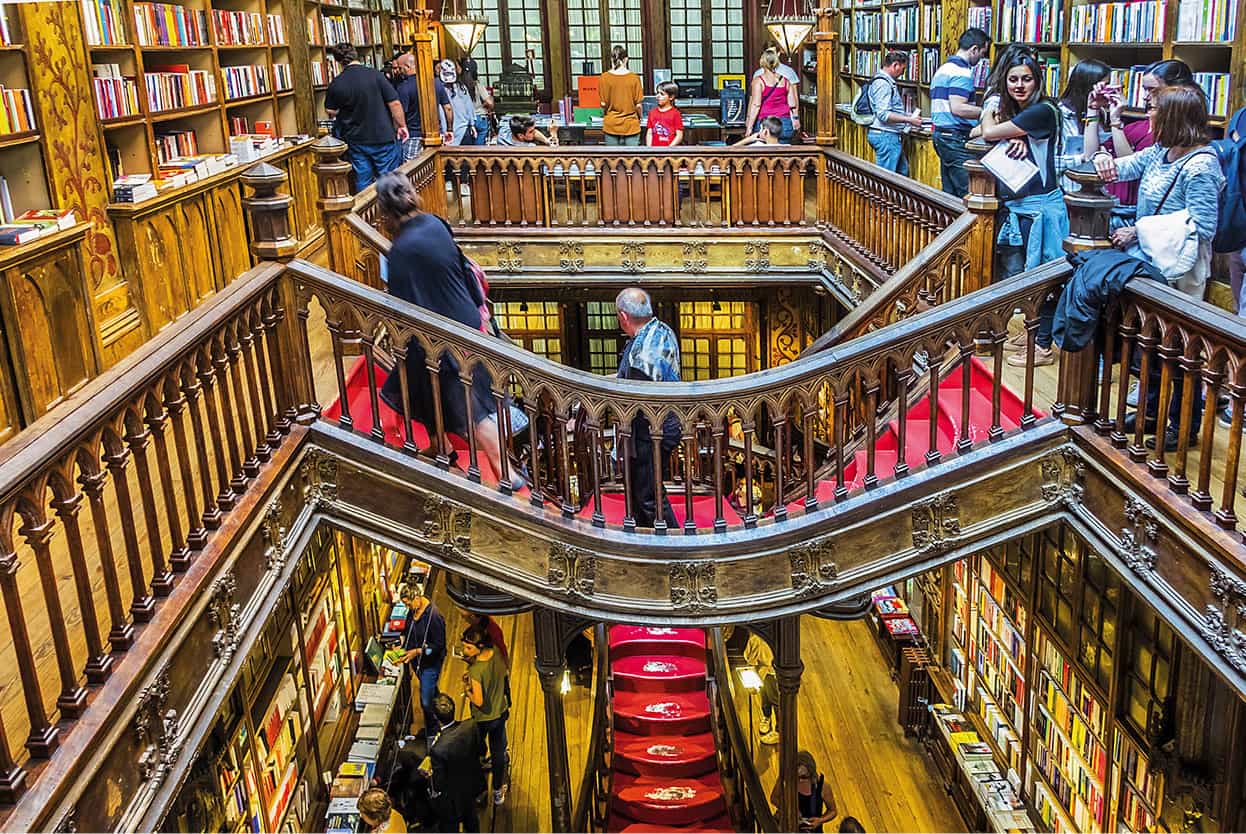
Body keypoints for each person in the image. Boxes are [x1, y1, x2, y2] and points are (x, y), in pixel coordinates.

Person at [1093, 85, 1224, 451]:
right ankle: (1152, 411)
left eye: (1152, 110)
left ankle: (1183, 424)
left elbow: (1204, 226)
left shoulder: (1201, 165)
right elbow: (1118, 170)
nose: (1146, 115)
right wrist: (1102, 160)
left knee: (1179, 351)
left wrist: (1139, 229)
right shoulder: (1159, 153)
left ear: (1173, 116)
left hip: (1177, 273)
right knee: (1148, 346)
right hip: (1148, 264)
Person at [372, 173, 521, 488]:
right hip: (464, 324)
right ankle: (442, 446)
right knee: (424, 389)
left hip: (442, 338)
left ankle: (506, 473)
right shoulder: (435, 224)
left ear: (385, 210)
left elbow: (402, 302)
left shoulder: (401, 251)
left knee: (471, 409)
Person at [979, 49, 1069, 368]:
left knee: (1044, 277)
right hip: (1022, 208)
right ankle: (1034, 334)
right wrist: (1012, 135)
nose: (1019, 85)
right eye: (1013, 79)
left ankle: (1042, 344)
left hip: (1040, 209)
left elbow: (986, 131)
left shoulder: (1042, 111)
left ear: (1037, 81)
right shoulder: (1023, 115)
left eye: (1026, 79)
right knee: (1026, 276)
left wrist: (995, 113)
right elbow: (982, 133)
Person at [1094, 59, 1198, 213]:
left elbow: (1136, 171)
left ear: (1176, 92)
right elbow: (1100, 154)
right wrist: (1101, 155)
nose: (1146, 97)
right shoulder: (1137, 127)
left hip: (1143, 214)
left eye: (1153, 90)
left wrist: (1116, 122)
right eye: (1145, 89)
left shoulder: (1177, 140)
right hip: (1117, 208)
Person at [615, 288, 681, 529]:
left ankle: (673, 546)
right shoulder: (661, 328)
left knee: (648, 495)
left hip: (652, 427)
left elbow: (637, 396)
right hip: (665, 422)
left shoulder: (640, 355)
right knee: (643, 489)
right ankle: (646, 537)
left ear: (623, 316)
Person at [324, 43, 408, 190]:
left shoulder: (337, 83)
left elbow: (330, 110)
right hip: (382, 136)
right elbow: (394, 103)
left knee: (363, 179)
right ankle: (390, 210)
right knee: (388, 179)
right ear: (356, 55)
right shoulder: (375, 75)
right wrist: (401, 126)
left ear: (338, 61)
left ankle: (366, 212)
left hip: (356, 138)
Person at [930, 28, 991, 197]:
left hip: (942, 136)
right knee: (968, 193)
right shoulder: (962, 72)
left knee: (949, 193)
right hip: (954, 137)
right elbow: (958, 108)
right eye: (982, 53)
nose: (981, 60)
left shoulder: (943, 69)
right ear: (974, 49)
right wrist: (987, 112)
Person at [461, 625, 510, 805]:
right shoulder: (496, 653)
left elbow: (479, 701)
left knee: (476, 750)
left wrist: (467, 691)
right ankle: (498, 790)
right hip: (500, 711)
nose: (465, 651)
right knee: (498, 752)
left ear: (479, 647)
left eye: (468, 647)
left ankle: (480, 789)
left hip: (483, 718)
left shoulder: (476, 671)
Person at [426, 693, 483, 832]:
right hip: (472, 785)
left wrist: (429, 777)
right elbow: (481, 750)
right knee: (472, 821)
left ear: (436, 717)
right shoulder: (471, 726)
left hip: (452, 799)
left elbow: (439, 784)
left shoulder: (438, 749)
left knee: (450, 826)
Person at [1054, 59, 1111, 193]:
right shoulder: (1057, 115)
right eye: (1105, 86)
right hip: (1068, 192)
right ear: (1089, 86)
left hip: (1100, 192)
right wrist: (1081, 158)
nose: (1107, 91)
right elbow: (1045, 164)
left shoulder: (1101, 113)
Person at [398, 588, 446, 735]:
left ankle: (432, 732)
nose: (407, 608)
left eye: (408, 604)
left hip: (430, 663)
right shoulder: (413, 611)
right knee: (431, 692)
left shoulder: (434, 616)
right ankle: (444, 716)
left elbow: (438, 646)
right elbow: (407, 630)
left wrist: (418, 651)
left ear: (417, 597)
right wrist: (401, 644)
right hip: (416, 661)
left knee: (425, 702)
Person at [866, 51, 922, 174]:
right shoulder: (883, 84)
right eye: (903, 69)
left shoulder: (883, 80)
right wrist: (909, 120)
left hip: (887, 135)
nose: (903, 73)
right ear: (895, 65)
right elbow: (883, 115)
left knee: (902, 172)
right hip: (886, 135)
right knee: (887, 179)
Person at [392, 52, 450, 159]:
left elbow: (400, 113)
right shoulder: (435, 82)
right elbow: (448, 108)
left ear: (407, 66)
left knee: (411, 170)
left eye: (400, 68)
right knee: (437, 167)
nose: (399, 72)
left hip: (412, 135)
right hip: (436, 133)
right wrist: (449, 129)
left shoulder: (404, 87)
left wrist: (398, 129)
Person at [769, 751, 838, 832]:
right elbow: (774, 798)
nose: (800, 780)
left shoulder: (822, 787)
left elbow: (833, 811)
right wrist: (790, 810)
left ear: (811, 773)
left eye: (804, 777)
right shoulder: (787, 778)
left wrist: (820, 820)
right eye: (797, 776)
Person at [746, 48, 799, 143]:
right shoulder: (786, 81)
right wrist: (795, 119)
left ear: (762, 62)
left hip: (765, 125)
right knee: (783, 155)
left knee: (762, 156)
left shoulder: (758, 81)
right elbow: (793, 104)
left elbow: (756, 105)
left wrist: (749, 127)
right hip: (784, 124)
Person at [599, 45, 643, 146]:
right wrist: (640, 117)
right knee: (631, 159)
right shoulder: (634, 78)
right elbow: (638, 105)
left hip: (611, 123)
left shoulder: (604, 78)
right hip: (631, 124)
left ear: (611, 59)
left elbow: (603, 103)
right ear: (626, 59)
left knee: (612, 159)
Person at [744, 631, 779, 745]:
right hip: (764, 671)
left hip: (772, 671)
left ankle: (780, 731)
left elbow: (751, 659)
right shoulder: (756, 638)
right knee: (765, 696)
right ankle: (766, 716)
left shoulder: (758, 639)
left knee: (776, 700)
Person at [439, 60, 478, 146]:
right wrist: (472, 124)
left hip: (447, 131)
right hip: (461, 129)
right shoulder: (461, 87)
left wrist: (472, 125)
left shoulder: (438, 89)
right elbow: (469, 107)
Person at [461, 58, 493, 145]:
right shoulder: (477, 85)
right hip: (479, 118)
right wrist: (483, 106)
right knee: (479, 149)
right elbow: (490, 103)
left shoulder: (459, 87)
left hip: (465, 120)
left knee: (468, 148)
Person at [646, 81, 684, 147]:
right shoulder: (652, 113)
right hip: (654, 150)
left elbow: (679, 135)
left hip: (670, 150)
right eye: (657, 93)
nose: (658, 96)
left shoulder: (675, 114)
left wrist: (669, 149)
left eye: (662, 94)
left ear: (671, 97)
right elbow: (650, 133)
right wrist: (649, 148)